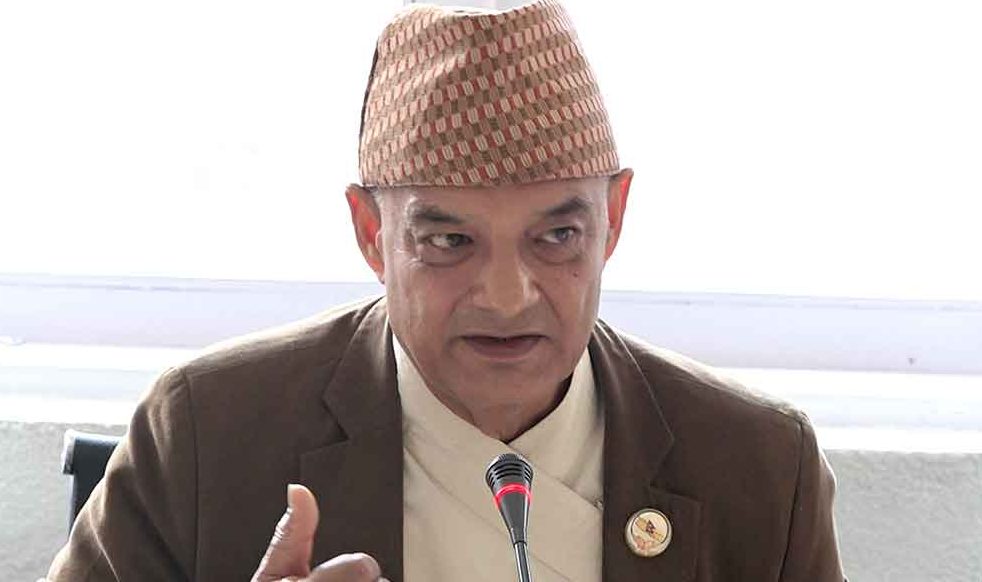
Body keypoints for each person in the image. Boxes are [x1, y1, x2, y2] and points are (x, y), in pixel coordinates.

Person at [46, 1, 846, 580]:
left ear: (614, 218)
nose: (506, 297)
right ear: (371, 232)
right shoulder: (206, 434)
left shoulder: (759, 466)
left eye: (556, 237)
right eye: (449, 242)